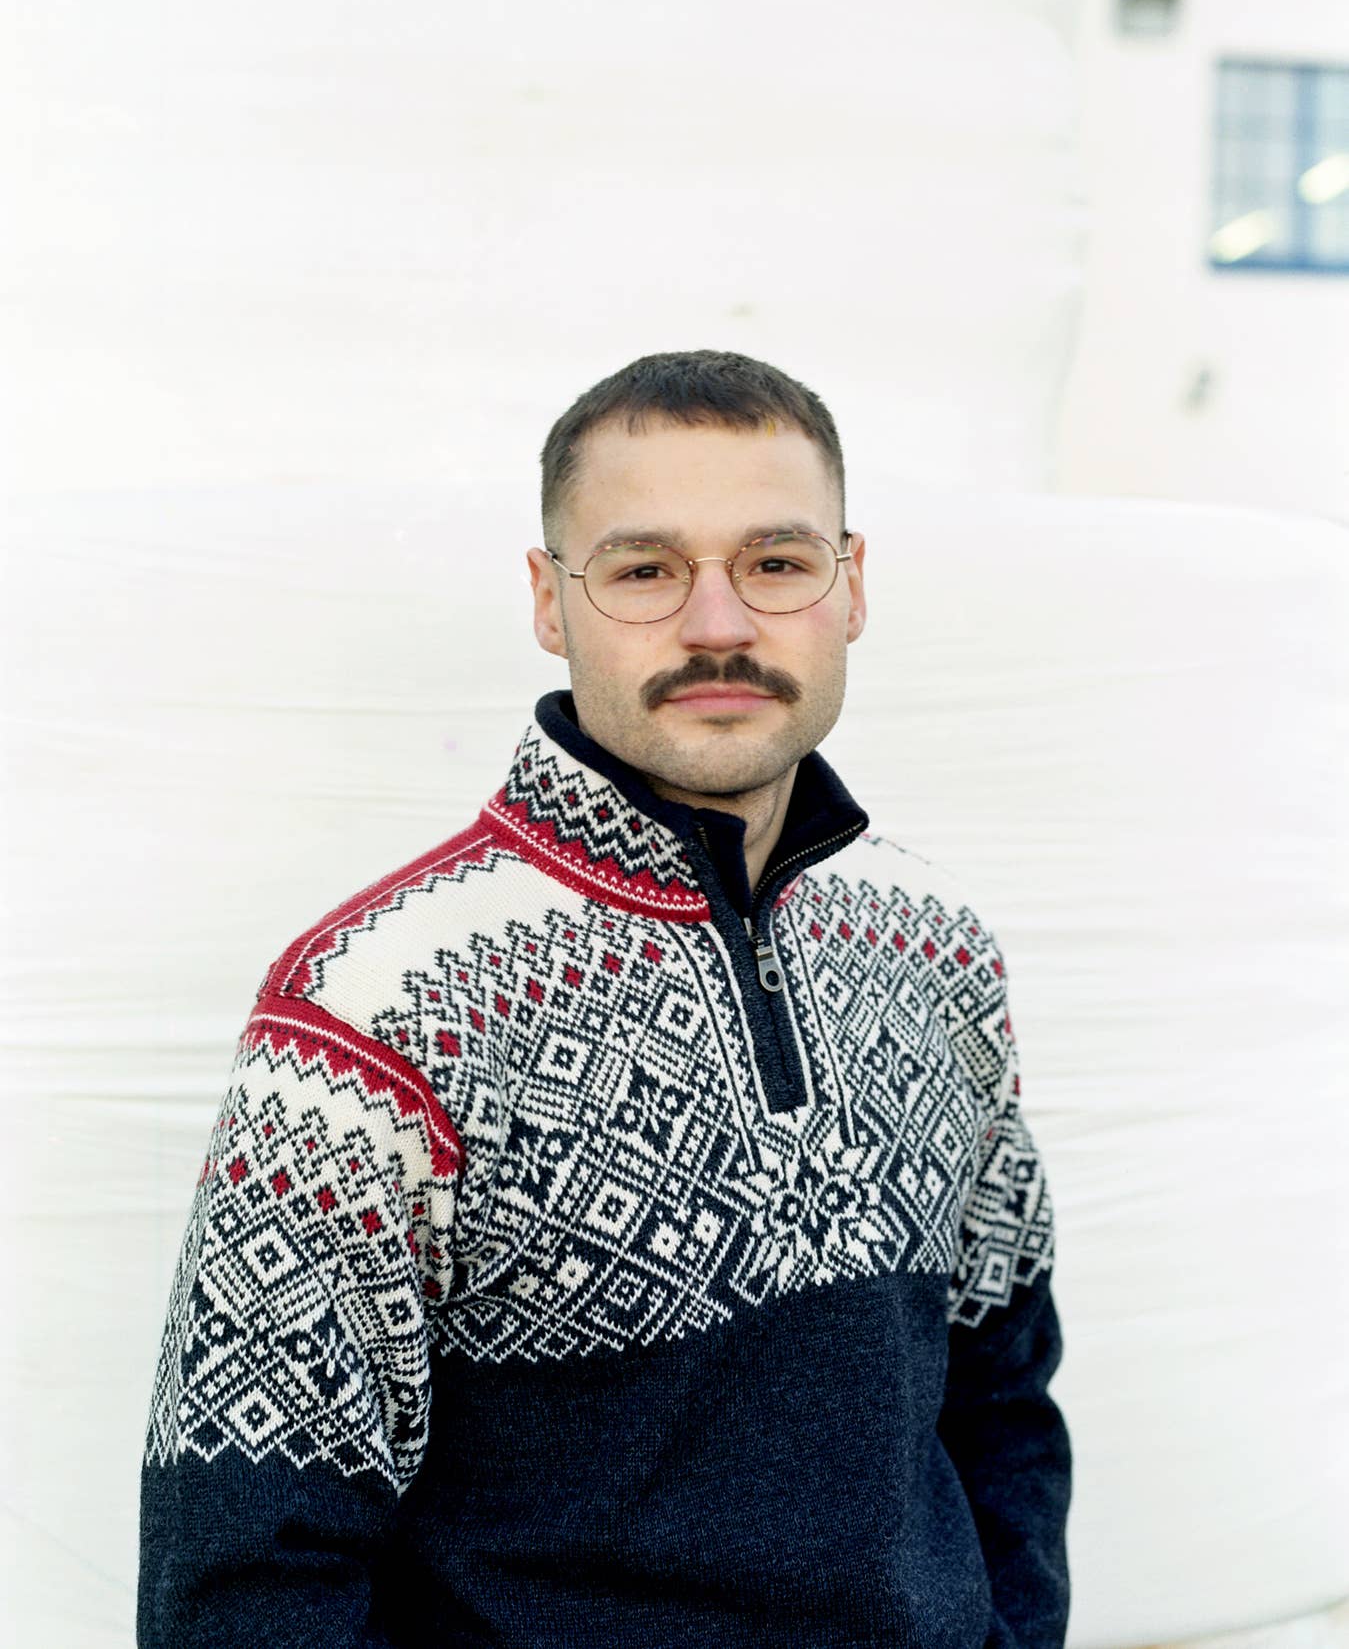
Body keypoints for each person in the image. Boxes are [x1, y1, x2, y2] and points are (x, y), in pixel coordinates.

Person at [139, 349, 1071, 1648]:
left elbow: (999, 1405)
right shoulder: (372, 1010)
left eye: (775, 562)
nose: (717, 623)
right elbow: (244, 1566)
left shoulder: (935, 952)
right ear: (547, 597)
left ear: (847, 586)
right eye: (643, 570)